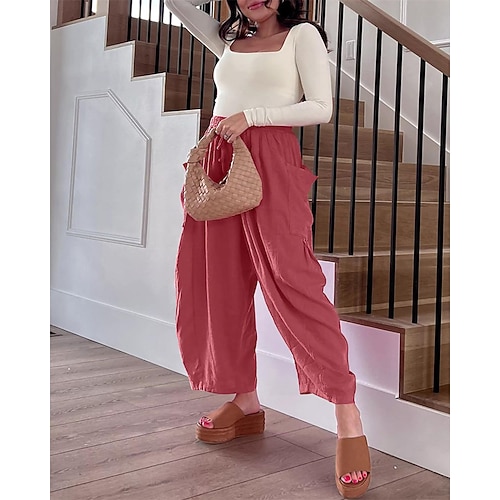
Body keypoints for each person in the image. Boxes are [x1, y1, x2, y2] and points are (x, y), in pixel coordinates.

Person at [164, 1, 371, 497]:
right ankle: (246, 400)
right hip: (218, 159)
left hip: (272, 157)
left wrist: (251, 116)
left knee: (295, 284)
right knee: (218, 286)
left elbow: (320, 108)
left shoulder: (302, 36)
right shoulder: (228, 37)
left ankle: (348, 418)